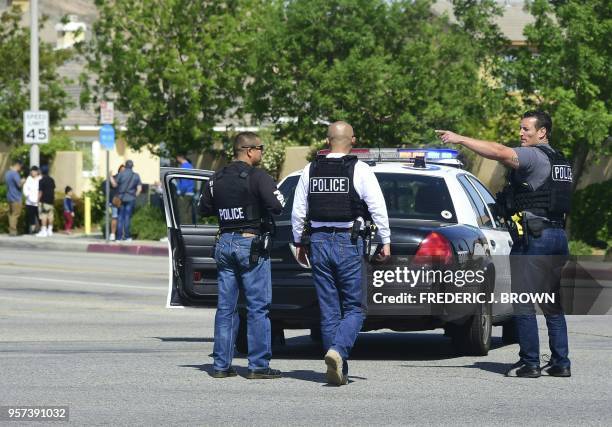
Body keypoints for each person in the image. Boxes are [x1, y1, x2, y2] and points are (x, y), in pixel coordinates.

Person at [436, 110, 573, 378]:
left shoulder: (534, 155)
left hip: (536, 238)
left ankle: (530, 363)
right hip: (556, 236)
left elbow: (499, 151)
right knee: (551, 304)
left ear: (542, 132)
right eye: (520, 129)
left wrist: (460, 138)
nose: (521, 134)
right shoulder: (560, 160)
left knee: (522, 302)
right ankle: (560, 362)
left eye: (526, 129)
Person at [291, 121, 391, 386]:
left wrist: (298, 242)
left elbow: (298, 209)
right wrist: (386, 240)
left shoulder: (310, 169)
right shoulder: (360, 169)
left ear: (327, 141)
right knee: (356, 307)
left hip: (319, 242)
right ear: (353, 141)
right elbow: (377, 207)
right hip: (348, 241)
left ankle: (338, 369)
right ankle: (338, 352)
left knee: (329, 309)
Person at [199, 132, 284, 379]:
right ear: (249, 150)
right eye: (261, 148)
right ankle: (258, 366)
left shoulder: (216, 178)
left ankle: (221, 365)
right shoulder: (258, 177)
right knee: (258, 307)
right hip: (250, 244)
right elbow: (278, 206)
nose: (262, 153)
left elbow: (203, 208)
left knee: (226, 308)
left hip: (224, 243)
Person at [112, 160, 142, 242]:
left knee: (120, 217)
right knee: (127, 217)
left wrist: (110, 177)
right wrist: (135, 195)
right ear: (132, 166)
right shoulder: (136, 175)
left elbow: (114, 184)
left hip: (121, 198)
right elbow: (139, 188)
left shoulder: (121, 174)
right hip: (131, 198)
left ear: (125, 166)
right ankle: (128, 236)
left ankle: (118, 237)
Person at [4, 159, 24, 236]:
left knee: (11, 214)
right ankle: (13, 231)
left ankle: (11, 230)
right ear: (17, 165)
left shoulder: (7, 173)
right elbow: (19, 184)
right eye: (20, 167)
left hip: (9, 196)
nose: (20, 169)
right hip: (16, 197)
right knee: (16, 214)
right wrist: (23, 181)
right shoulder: (15, 174)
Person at [175, 154, 196, 224]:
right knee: (189, 213)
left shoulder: (183, 167)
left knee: (183, 213)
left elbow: (184, 183)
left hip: (185, 194)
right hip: (191, 192)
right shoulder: (190, 166)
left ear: (179, 157)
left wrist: (180, 193)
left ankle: (183, 231)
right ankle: (191, 231)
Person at [36, 165, 56, 237]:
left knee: (44, 215)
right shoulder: (52, 180)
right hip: (51, 200)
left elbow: (40, 192)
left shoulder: (41, 180)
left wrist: (37, 200)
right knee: (50, 215)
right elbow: (53, 190)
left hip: (44, 200)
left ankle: (44, 231)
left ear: (41, 171)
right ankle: (50, 230)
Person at [107, 164, 125, 241]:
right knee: (115, 217)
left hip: (124, 201)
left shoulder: (127, 178)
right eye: (121, 170)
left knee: (123, 218)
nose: (123, 172)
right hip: (116, 201)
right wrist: (110, 176)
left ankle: (122, 234)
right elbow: (114, 184)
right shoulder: (116, 177)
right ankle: (113, 234)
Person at [24, 166, 41, 234]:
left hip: (38, 201)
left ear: (37, 172)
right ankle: (33, 230)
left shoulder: (40, 179)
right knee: (31, 216)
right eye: (32, 171)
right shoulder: (28, 179)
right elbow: (25, 189)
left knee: (39, 216)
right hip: (29, 202)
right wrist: (28, 195)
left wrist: (39, 198)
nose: (33, 172)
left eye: (34, 171)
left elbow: (42, 189)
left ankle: (42, 229)